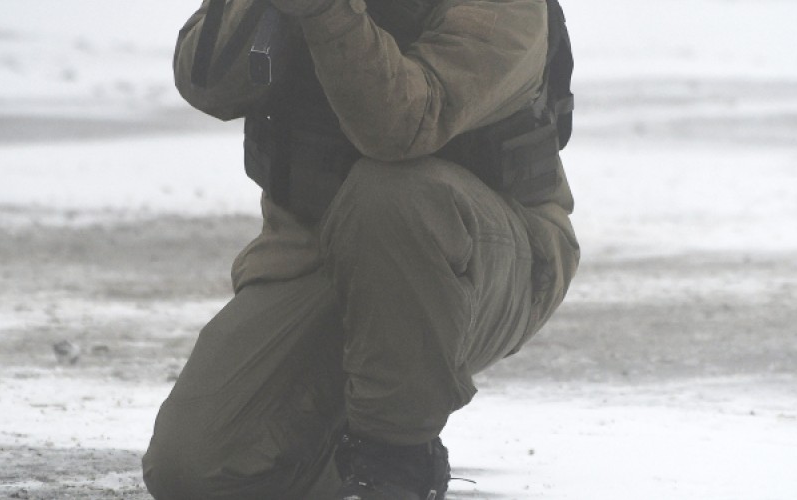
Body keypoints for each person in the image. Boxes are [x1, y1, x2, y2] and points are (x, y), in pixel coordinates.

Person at [142, 0, 579, 497]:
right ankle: (339, 455)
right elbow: (207, 84)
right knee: (193, 472)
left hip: (488, 256)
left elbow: (402, 127)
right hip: (315, 248)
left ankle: (395, 464)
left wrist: (328, 11)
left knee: (394, 195)